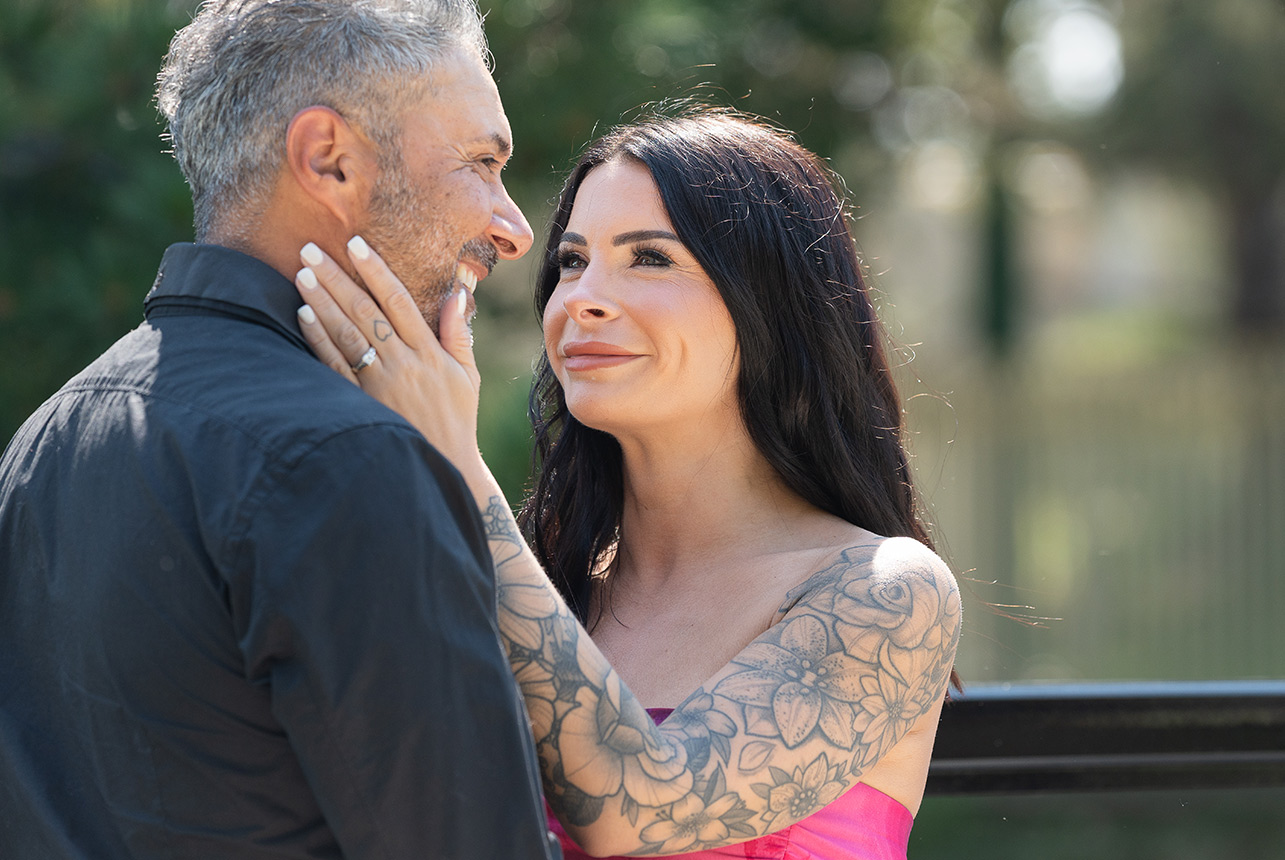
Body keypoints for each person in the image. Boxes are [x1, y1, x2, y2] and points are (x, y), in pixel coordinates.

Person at [294, 110, 962, 859]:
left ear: (773, 303)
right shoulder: (541, 582)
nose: (583, 297)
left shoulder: (886, 591)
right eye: (572, 261)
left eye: (649, 257)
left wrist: (452, 462)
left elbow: (640, 810)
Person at [0, 1, 559, 858]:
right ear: (328, 158)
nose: (512, 228)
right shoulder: (346, 459)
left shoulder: (46, 435)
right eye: (482, 163)